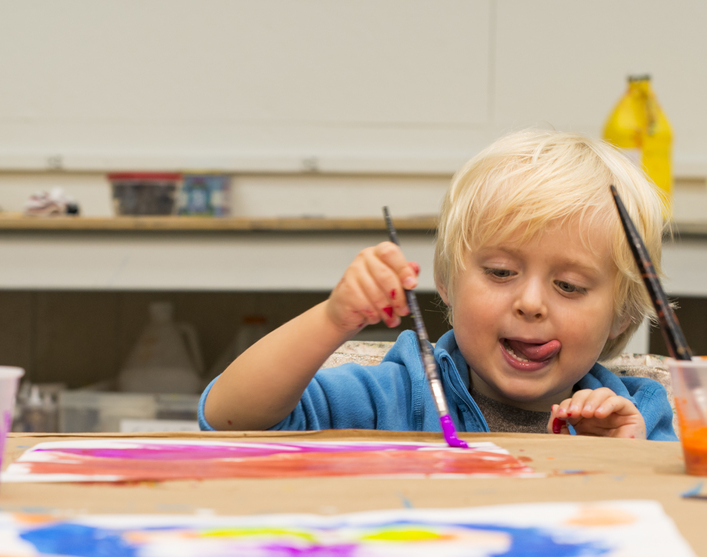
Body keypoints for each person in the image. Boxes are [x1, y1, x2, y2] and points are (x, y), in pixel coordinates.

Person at [199, 129, 677, 440]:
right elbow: (227, 419)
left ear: (622, 316)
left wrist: (619, 460)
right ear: (446, 281)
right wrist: (332, 319)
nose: (531, 303)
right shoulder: (394, 397)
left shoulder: (637, 415)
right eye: (501, 272)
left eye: (569, 286)